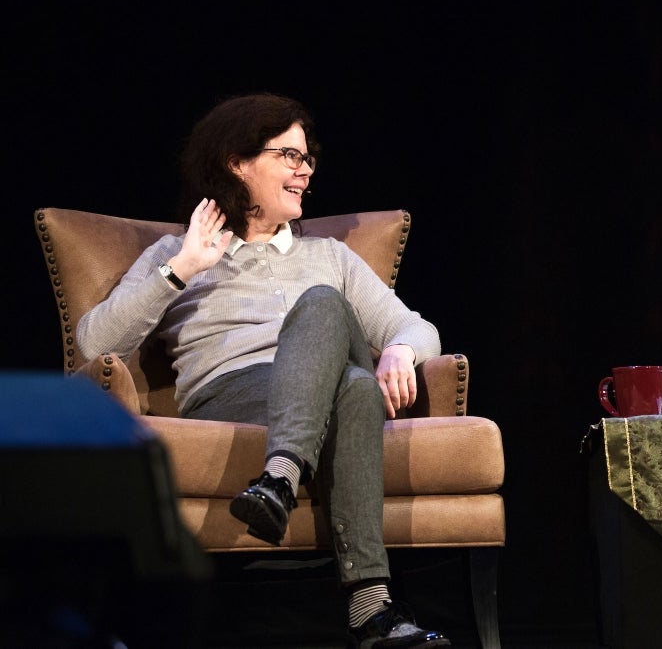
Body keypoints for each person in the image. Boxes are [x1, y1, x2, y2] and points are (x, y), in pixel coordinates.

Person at [77, 93, 452, 649]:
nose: (304, 171)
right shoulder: (179, 251)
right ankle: (372, 608)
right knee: (353, 388)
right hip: (235, 395)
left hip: (311, 384)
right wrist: (180, 270)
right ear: (237, 161)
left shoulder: (328, 257)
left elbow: (420, 329)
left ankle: (278, 478)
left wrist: (399, 351)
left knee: (324, 304)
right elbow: (94, 343)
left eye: (308, 159)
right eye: (288, 156)